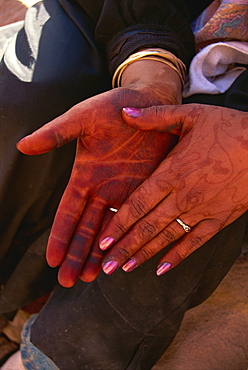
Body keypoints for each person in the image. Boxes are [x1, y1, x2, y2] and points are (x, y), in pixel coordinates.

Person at [0, 0, 247, 369]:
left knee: (187, 209)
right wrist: (152, 72)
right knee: (33, 95)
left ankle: (43, 360)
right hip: (144, 20)